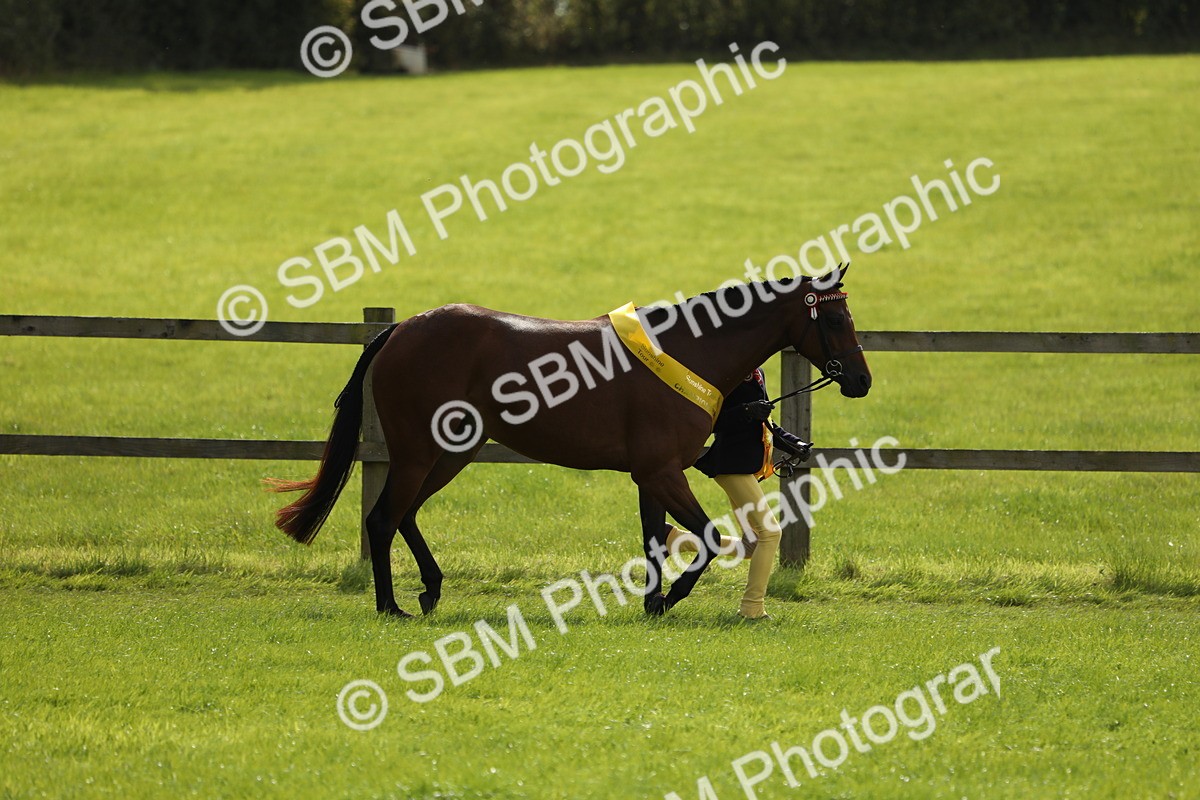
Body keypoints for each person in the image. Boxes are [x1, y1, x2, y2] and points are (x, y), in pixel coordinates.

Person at [663, 368, 811, 620]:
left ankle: (677, 540)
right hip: (731, 465)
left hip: (744, 466)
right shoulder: (727, 372)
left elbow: (766, 422)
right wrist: (746, 412)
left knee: (752, 545)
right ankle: (752, 608)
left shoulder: (756, 372)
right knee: (771, 533)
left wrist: (791, 443)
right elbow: (710, 420)